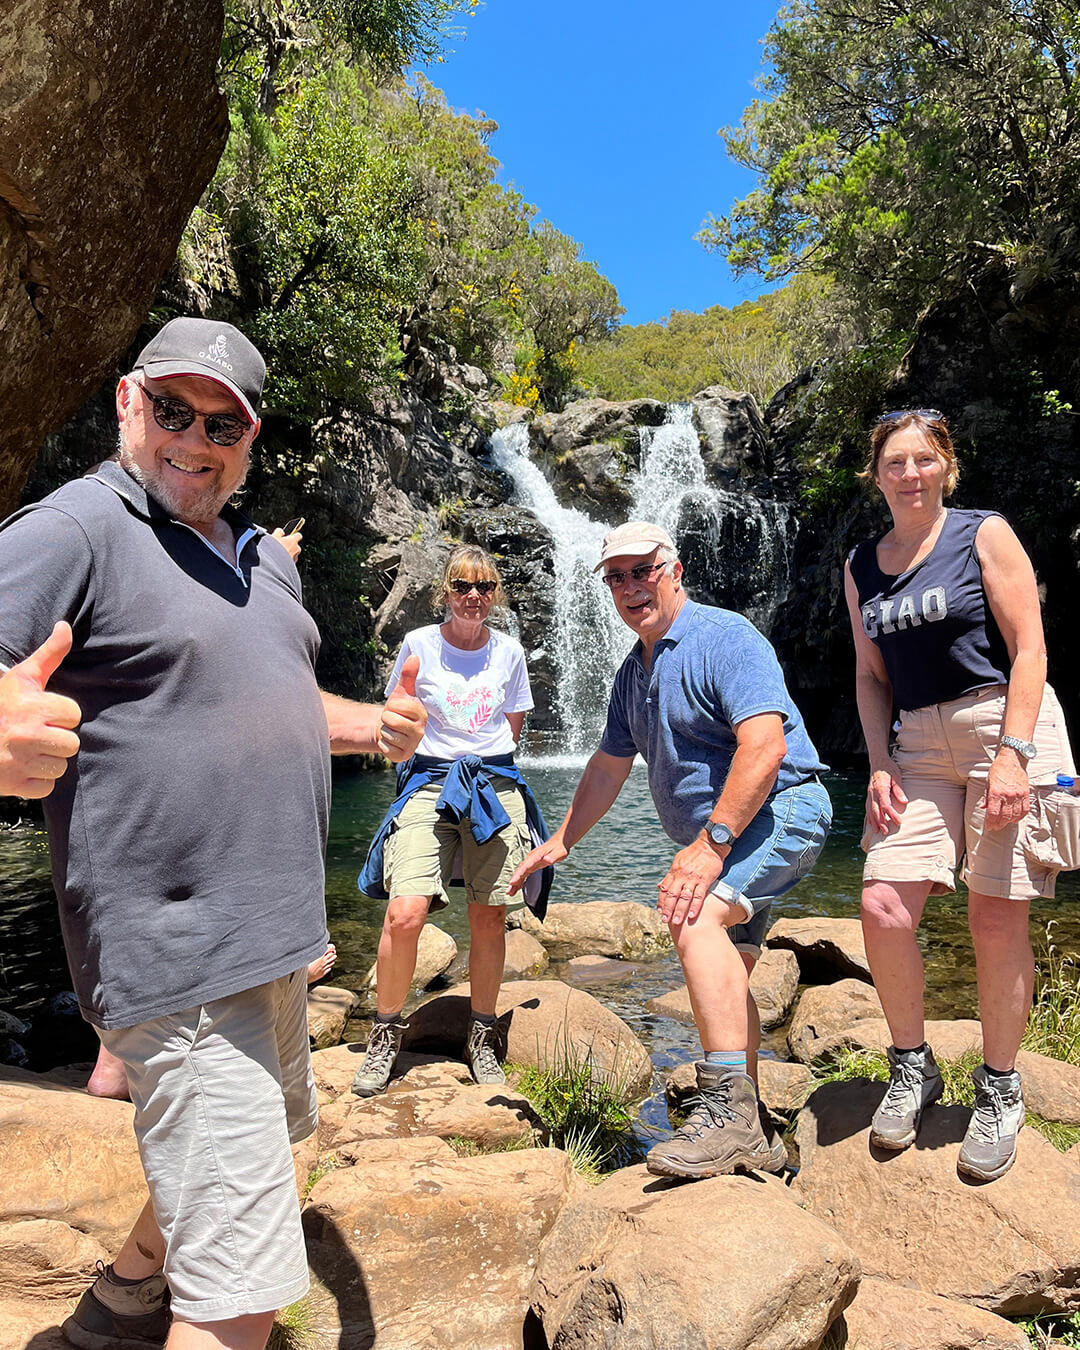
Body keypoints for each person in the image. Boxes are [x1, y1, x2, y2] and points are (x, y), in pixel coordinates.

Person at [0, 316, 427, 1350]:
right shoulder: (77, 526)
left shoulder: (255, 559)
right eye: (172, 410)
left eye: (221, 422)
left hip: (270, 940)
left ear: (250, 434)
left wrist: (372, 727)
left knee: (262, 1141)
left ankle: (125, 1294)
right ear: (125, 402)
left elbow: (264, 698)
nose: (195, 438)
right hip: (182, 958)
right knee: (239, 1301)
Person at [510, 521, 831, 1179]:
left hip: (776, 815)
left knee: (692, 916)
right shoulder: (635, 671)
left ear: (674, 567)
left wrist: (711, 845)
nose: (631, 585)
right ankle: (757, 1135)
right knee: (728, 968)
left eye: (643, 569)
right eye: (617, 576)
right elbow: (606, 764)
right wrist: (561, 842)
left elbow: (765, 747)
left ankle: (727, 1119)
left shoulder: (724, 639)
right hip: (733, 832)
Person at [845, 408, 1075, 1181]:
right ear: (875, 475)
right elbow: (870, 675)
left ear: (944, 465)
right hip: (918, 743)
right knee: (882, 902)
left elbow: (1031, 647)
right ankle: (913, 1064)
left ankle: (1001, 1086)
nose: (908, 474)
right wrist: (879, 762)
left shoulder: (983, 533)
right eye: (893, 463)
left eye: (921, 460)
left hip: (1001, 721)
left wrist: (1014, 754)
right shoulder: (862, 565)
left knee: (993, 910)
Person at [352, 544, 551, 1096]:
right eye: (462, 585)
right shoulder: (419, 644)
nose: (472, 596)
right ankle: (385, 1033)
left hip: (494, 780)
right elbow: (400, 716)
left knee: (490, 915)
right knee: (405, 911)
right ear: (445, 591)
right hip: (430, 780)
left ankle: (482, 1036)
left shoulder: (510, 652)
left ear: (496, 596)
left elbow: (511, 728)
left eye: (484, 587)